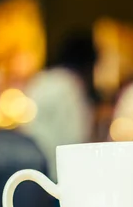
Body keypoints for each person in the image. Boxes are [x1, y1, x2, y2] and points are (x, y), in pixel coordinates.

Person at [22, 30, 99, 182]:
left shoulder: (41, 81)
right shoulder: (69, 86)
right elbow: (77, 136)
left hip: (36, 169)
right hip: (60, 173)